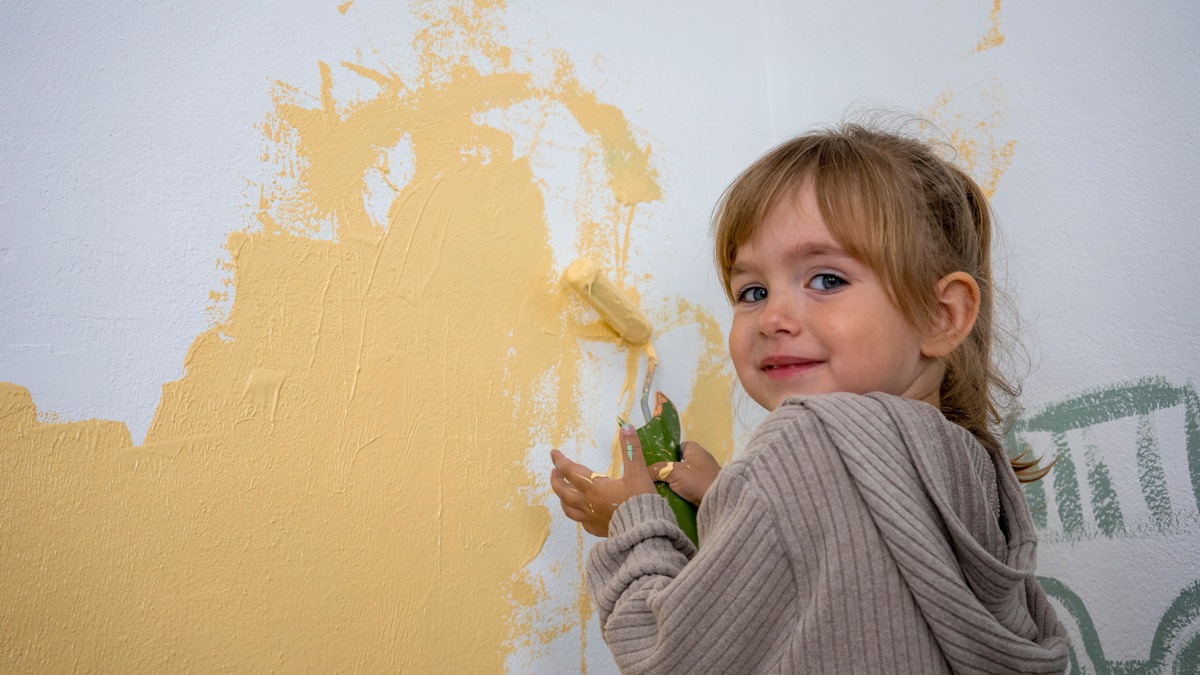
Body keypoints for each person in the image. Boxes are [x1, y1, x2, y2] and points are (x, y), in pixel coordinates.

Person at [549, 120, 1070, 673]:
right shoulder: (971, 464)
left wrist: (635, 521)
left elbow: (669, 657)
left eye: (826, 280)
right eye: (752, 291)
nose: (773, 317)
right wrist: (736, 497)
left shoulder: (808, 439)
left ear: (941, 316)